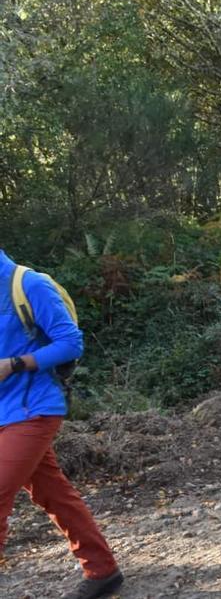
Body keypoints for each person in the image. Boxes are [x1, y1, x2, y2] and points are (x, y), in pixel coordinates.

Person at [1, 251, 124, 599]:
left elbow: (70, 344)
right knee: (52, 492)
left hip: (33, 408)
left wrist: (14, 364)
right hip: (3, 411)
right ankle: (103, 571)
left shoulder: (28, 284)